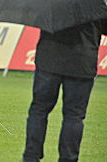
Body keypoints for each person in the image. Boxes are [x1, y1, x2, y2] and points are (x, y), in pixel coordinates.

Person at [23, 19, 107, 161]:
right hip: (82, 62)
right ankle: (68, 158)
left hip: (49, 60)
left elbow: (38, 18)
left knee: (38, 110)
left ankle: (31, 156)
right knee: (74, 116)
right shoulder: (99, 1)